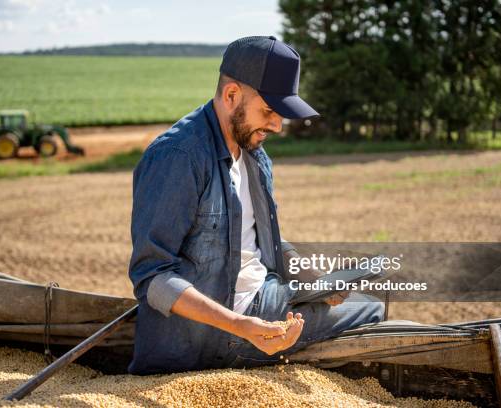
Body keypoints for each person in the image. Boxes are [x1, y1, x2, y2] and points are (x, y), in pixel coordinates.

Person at [128, 36, 384, 375]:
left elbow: (266, 244)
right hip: (210, 335)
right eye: (268, 111)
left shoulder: (256, 157)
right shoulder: (178, 157)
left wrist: (318, 282)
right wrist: (239, 325)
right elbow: (152, 276)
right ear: (232, 95)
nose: (277, 125)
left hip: (263, 300)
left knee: (370, 298)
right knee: (373, 310)